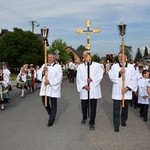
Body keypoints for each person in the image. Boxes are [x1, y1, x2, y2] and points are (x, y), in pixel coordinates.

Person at [108, 51, 137, 132]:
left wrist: (127, 88)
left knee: (125, 108)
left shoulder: (131, 67)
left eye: (122, 56)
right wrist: (119, 73)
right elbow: (111, 75)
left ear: (126, 57)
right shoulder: (115, 66)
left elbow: (134, 79)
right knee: (116, 109)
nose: (121, 58)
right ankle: (116, 125)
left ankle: (123, 120)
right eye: (119, 56)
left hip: (126, 92)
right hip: (117, 91)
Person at [76, 51, 103, 130]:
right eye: (84, 56)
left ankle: (92, 122)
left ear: (90, 56)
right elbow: (79, 78)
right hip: (84, 90)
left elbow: (100, 75)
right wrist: (84, 86)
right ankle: (84, 117)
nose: (85, 57)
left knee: (93, 107)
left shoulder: (97, 65)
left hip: (93, 89)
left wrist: (92, 79)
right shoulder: (80, 67)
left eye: (87, 55)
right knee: (84, 106)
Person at [37, 53, 63, 127]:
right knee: (44, 102)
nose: (50, 58)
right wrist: (43, 71)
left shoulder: (58, 67)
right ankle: (51, 113)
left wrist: (50, 82)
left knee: (53, 103)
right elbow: (39, 75)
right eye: (48, 57)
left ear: (54, 58)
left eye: (51, 57)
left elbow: (59, 77)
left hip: (53, 87)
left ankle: (51, 120)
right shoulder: (44, 65)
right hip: (45, 88)